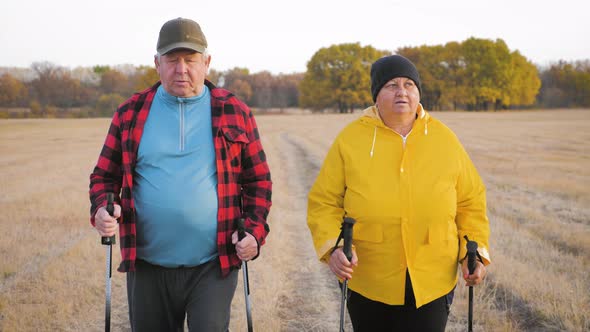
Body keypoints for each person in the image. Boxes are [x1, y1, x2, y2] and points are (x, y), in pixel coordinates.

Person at [89, 17, 272, 331]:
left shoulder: (235, 112)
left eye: (191, 60)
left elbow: (258, 182)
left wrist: (254, 232)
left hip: (213, 264)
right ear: (157, 63)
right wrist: (102, 209)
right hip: (146, 266)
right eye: (172, 60)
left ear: (207, 62)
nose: (181, 69)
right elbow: (104, 176)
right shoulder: (130, 113)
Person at [307, 54, 490, 331]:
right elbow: (324, 202)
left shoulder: (445, 139)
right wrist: (333, 247)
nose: (402, 91)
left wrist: (472, 253)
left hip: (432, 278)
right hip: (369, 276)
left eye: (409, 84)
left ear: (418, 93)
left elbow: (470, 202)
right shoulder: (350, 140)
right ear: (376, 95)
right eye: (391, 85)